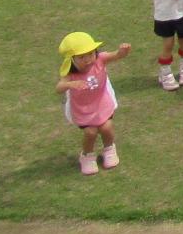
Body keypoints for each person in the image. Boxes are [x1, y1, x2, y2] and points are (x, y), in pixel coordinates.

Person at [55, 32, 129, 173]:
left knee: (107, 127)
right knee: (90, 132)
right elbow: (58, 87)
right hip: (83, 109)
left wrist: (122, 51)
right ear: (72, 60)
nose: (88, 59)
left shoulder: (100, 59)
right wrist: (71, 84)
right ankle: (87, 156)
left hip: (101, 103)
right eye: (81, 57)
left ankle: (109, 149)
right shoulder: (70, 74)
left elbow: (117, 55)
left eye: (90, 54)